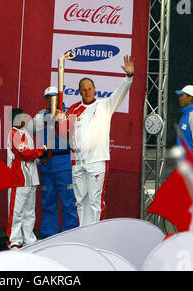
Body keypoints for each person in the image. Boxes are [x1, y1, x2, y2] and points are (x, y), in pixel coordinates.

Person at [56, 55, 135, 226]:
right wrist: (59, 121)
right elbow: (62, 136)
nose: (87, 92)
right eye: (84, 89)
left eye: (90, 88)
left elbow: (121, 92)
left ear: (94, 89)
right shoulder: (72, 110)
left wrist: (129, 77)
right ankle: (84, 234)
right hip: (77, 162)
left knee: (95, 202)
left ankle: (95, 236)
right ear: (79, 91)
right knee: (80, 201)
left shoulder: (105, 105)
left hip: (97, 161)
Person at [32, 86, 78, 238]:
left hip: (63, 163)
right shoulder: (40, 115)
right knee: (48, 203)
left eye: (54, 97)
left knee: (68, 203)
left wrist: (61, 119)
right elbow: (31, 132)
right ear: (45, 99)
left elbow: (74, 134)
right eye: (48, 97)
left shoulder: (69, 113)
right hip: (46, 164)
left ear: (59, 98)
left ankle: (69, 234)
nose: (51, 100)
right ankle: (48, 235)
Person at [6, 108, 49, 249]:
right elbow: (25, 154)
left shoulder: (25, 133)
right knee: (16, 212)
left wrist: (39, 160)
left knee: (29, 212)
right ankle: (14, 241)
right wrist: (43, 149)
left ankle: (29, 240)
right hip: (18, 179)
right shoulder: (13, 134)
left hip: (31, 179)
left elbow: (30, 158)